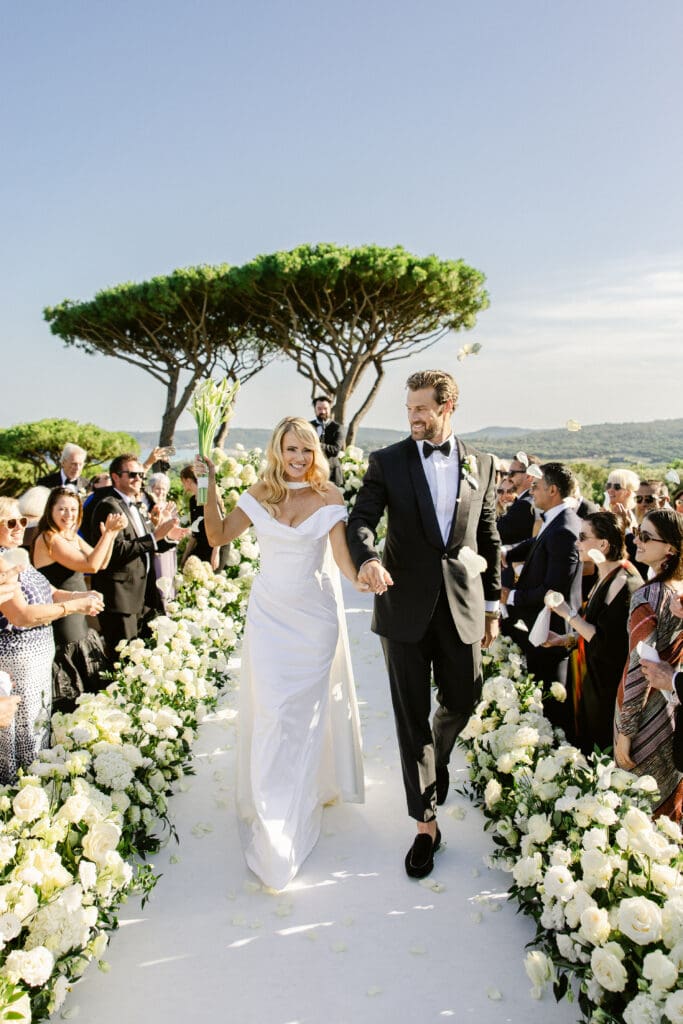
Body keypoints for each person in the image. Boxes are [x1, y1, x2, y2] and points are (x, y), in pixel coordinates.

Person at [347, 369, 501, 879]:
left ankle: (437, 757)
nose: (413, 416)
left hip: (463, 606)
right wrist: (368, 559)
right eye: (408, 408)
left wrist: (492, 607)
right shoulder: (387, 461)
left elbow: (489, 536)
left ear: (447, 406)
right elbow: (361, 520)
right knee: (410, 718)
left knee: (464, 698)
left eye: (421, 408)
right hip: (402, 608)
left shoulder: (482, 463)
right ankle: (425, 824)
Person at [200, 416, 365, 891]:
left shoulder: (329, 496)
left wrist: (364, 577)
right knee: (273, 714)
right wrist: (210, 484)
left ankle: (296, 804)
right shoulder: (259, 494)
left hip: (314, 623)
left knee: (303, 719)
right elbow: (217, 536)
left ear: (316, 453)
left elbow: (341, 556)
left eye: (306, 450)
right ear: (277, 450)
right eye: (291, 449)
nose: (298, 458)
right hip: (270, 620)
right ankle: (273, 818)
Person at [0, 499, 104, 782]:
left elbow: (51, 591)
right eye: (11, 522)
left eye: (22, 521)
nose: (19, 527)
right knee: (24, 729)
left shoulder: (17, 555)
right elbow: (21, 615)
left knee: (39, 722)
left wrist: (81, 596)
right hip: (18, 658)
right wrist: (73, 607)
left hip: (38, 656)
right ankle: (21, 786)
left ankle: (39, 780)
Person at [541, 512, 642, 753]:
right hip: (590, 681)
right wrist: (565, 640)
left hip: (607, 689)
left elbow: (608, 644)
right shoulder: (604, 573)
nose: (577, 543)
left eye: (583, 537)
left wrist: (567, 614)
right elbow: (596, 627)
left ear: (603, 544)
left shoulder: (625, 581)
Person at [504, 463, 582, 740]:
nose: (532, 491)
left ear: (553, 490)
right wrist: (505, 554)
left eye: (536, 486)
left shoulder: (565, 529)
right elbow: (536, 544)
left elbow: (554, 589)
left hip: (552, 630)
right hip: (540, 625)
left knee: (553, 704)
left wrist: (512, 596)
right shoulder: (556, 520)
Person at [614, 509, 683, 821]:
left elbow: (638, 667)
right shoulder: (679, 592)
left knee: (638, 811)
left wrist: (626, 731)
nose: (636, 542)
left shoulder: (646, 595)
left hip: (645, 716)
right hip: (674, 711)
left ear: (670, 548)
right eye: (636, 533)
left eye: (645, 537)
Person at [31, 487, 126, 711]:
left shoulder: (70, 536)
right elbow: (90, 565)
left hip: (78, 612)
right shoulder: (50, 538)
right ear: (50, 510)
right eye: (62, 509)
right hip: (62, 612)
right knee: (71, 671)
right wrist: (108, 535)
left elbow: (101, 563)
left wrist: (110, 536)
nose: (69, 514)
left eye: (73, 509)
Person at [81, 454, 181, 657]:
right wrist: (155, 536)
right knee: (124, 659)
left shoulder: (133, 505)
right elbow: (115, 551)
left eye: (141, 475)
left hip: (144, 595)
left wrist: (169, 537)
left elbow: (144, 545)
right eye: (133, 474)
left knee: (147, 656)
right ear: (115, 477)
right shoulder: (109, 506)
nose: (139, 479)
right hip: (121, 597)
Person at [145, 472, 179, 600]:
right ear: (151, 489)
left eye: (164, 489)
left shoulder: (171, 506)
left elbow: (176, 526)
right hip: (156, 549)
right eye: (157, 488)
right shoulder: (148, 506)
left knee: (169, 577)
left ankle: (169, 602)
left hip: (169, 549)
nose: (161, 492)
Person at [310, 395, 344, 487]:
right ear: (315, 409)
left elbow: (335, 450)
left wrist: (315, 445)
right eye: (319, 408)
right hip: (312, 472)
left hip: (332, 474)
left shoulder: (337, 428)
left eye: (325, 408)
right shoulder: (308, 426)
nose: (322, 411)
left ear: (330, 409)